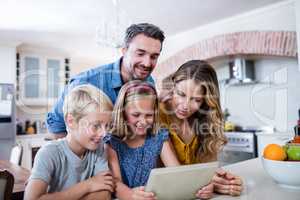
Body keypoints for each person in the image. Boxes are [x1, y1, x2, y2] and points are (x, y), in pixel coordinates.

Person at [47, 23, 165, 138]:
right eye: (140, 53)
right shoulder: (85, 82)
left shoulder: (148, 82)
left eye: (154, 56)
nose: (147, 63)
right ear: (124, 51)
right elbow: (56, 127)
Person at [104, 80, 214, 200]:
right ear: (123, 113)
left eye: (149, 115)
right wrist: (131, 195)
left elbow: (177, 172)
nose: (143, 121)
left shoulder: (158, 136)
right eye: (136, 115)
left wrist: (202, 188)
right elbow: (115, 182)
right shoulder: (112, 141)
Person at [159, 60, 243, 196]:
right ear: (173, 87)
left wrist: (221, 183)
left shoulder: (205, 121)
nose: (185, 106)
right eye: (180, 94)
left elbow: (208, 171)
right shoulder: (158, 114)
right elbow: (175, 174)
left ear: (206, 100)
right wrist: (204, 183)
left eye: (196, 99)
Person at [25, 84, 115, 200]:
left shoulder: (99, 149)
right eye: (96, 125)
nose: (104, 133)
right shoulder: (49, 153)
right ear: (71, 121)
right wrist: (88, 185)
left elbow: (104, 193)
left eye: (107, 125)